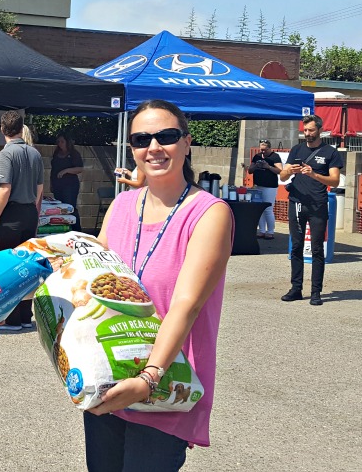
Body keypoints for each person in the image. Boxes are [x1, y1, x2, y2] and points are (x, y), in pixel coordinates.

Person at [91, 100, 233, 471]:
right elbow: (91, 278)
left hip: (167, 381)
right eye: (141, 139)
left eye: (166, 136)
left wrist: (149, 377)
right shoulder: (120, 206)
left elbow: (186, 305)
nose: (153, 147)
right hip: (110, 375)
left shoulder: (208, 213)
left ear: (186, 143)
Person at [280, 114, 342, 306]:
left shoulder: (330, 152)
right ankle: (296, 288)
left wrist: (314, 174)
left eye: (311, 130)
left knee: (316, 249)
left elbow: (335, 180)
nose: (307, 134)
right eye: (305, 130)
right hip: (297, 203)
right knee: (296, 247)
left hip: (318, 205)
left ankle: (316, 292)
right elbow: (282, 176)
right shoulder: (297, 149)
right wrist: (289, 171)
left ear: (320, 130)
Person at [0, 110, 44, 331]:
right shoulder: (35, 153)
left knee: (10, 266)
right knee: (27, 265)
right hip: (30, 212)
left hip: (11, 213)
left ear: (3, 129)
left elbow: (5, 188)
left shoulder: (6, 154)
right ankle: (25, 315)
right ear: (21, 127)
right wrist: (36, 210)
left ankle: (12, 319)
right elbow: (40, 188)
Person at [248, 139, 283, 239]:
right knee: (259, 208)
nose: (263, 152)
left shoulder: (275, 157)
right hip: (258, 185)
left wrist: (268, 167)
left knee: (268, 209)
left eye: (265, 150)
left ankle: (270, 231)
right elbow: (250, 170)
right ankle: (262, 230)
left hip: (270, 186)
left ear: (269, 148)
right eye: (261, 149)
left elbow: (280, 171)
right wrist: (255, 166)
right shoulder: (257, 156)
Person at [50, 131, 84, 231]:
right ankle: (64, 229)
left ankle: (76, 230)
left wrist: (66, 171)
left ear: (67, 142)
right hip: (57, 185)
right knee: (60, 208)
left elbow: (80, 168)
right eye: (58, 142)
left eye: (62, 142)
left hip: (70, 186)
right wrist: (51, 183)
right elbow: (53, 170)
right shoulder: (56, 153)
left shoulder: (74, 154)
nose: (60, 144)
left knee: (70, 207)